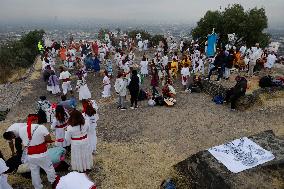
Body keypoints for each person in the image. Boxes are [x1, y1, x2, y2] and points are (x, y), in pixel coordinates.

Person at [19, 114, 57, 189]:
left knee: (34, 171)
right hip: (42, 154)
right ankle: (53, 182)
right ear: (36, 120)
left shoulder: (21, 129)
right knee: (49, 168)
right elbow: (48, 139)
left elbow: (24, 142)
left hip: (30, 155)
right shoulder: (41, 127)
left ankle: (38, 186)